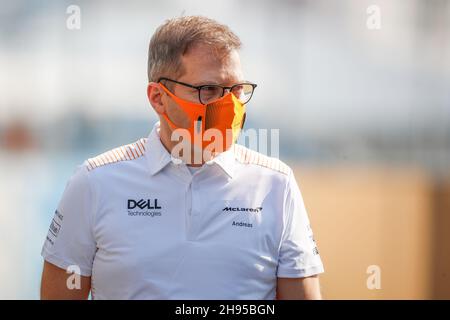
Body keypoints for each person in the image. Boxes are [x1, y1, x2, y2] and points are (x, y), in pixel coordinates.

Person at [40, 15, 324, 300]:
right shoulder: (95, 182)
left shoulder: (276, 184)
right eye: (208, 90)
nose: (228, 104)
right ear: (158, 98)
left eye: (236, 90)